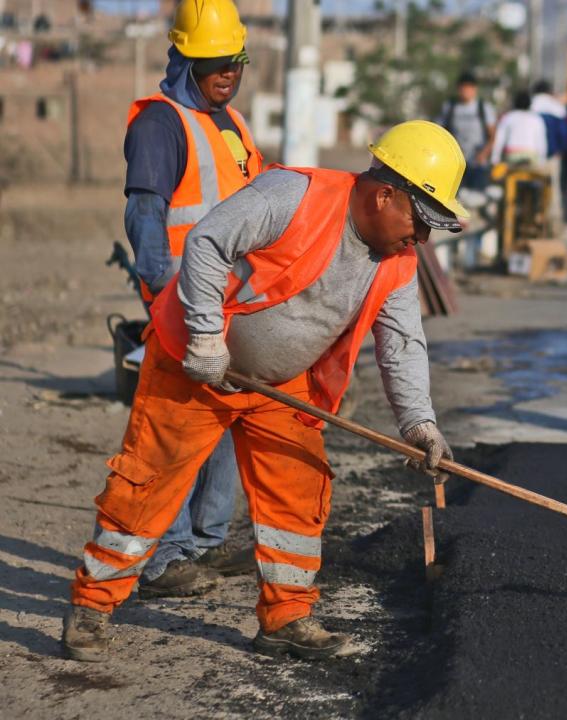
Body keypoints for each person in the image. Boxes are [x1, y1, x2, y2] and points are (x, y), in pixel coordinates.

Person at [63, 120, 466, 662]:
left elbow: (401, 343)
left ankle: (287, 618)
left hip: (280, 387)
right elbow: (207, 242)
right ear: (385, 194)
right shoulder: (295, 195)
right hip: (195, 365)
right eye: (420, 221)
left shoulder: (397, 263)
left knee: (297, 495)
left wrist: (420, 424)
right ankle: (92, 607)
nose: (422, 237)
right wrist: (207, 338)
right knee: (147, 485)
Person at [121, 0, 260, 599]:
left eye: (234, 61)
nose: (226, 72)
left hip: (231, 302)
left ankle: (204, 541)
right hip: (180, 300)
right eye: (212, 62)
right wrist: (159, 297)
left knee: (224, 422)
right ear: (181, 57)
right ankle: (164, 553)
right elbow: (145, 213)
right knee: (176, 430)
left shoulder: (228, 122)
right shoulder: (160, 123)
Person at [437, 71, 495, 191]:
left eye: (469, 88)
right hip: (455, 165)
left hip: (477, 165)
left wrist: (483, 154)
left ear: (475, 89)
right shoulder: (449, 107)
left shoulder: (484, 108)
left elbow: (492, 136)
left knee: (477, 199)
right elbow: (439, 132)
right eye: (463, 87)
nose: (466, 91)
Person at [531, 80, 567, 234]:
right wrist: (560, 149)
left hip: (532, 157)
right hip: (552, 156)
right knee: (553, 192)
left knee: (532, 192)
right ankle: (553, 229)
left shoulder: (530, 105)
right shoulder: (557, 108)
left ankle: (533, 225)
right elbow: (564, 134)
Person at [491, 90, 548, 165]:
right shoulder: (537, 119)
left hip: (511, 156)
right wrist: (542, 161)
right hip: (531, 157)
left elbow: (499, 140)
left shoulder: (508, 117)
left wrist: (495, 159)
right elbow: (541, 143)